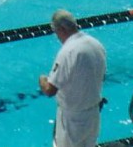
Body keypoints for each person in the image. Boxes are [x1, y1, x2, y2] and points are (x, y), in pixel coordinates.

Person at [39, 9, 107, 147]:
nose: (56, 36)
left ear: (62, 29)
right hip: (93, 113)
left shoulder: (68, 51)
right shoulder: (96, 44)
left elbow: (49, 90)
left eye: (56, 31)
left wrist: (42, 80)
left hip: (73, 119)